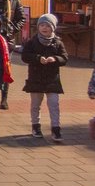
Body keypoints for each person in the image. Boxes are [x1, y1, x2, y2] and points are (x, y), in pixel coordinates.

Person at [20, 13, 68, 142]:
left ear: (53, 27)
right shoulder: (32, 42)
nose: (44, 28)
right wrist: (37, 58)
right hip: (36, 78)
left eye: (47, 25)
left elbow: (64, 58)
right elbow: (25, 56)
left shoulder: (57, 42)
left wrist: (55, 59)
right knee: (36, 104)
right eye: (42, 25)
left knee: (54, 104)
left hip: (52, 79)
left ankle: (56, 129)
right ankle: (36, 127)